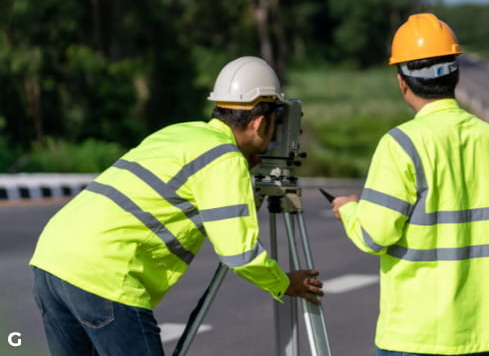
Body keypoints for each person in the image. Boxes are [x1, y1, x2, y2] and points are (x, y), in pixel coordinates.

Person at [30, 56, 324, 356]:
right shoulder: (225, 159)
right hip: (104, 275)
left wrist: (241, 167)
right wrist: (283, 283)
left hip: (52, 261)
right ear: (261, 122)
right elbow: (239, 255)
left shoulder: (181, 132)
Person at [331, 13, 489, 356]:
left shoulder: (401, 144)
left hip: (414, 335)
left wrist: (349, 210)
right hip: (477, 332)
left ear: (402, 81)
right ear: (456, 74)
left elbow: (374, 235)